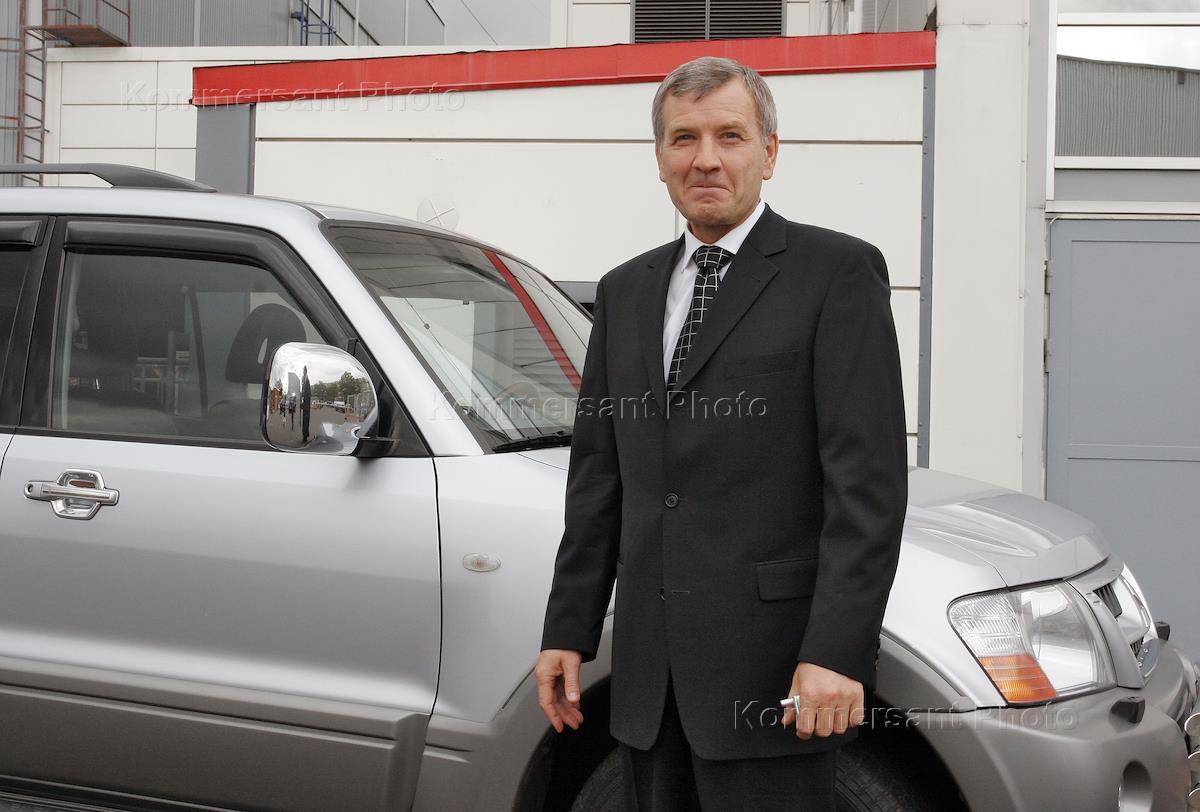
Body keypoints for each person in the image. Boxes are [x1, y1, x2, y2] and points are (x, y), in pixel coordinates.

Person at [536, 56, 908, 810]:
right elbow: (599, 477)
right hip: (649, 683)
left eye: (729, 136)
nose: (705, 158)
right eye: (684, 138)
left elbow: (866, 489)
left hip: (775, 681)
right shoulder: (624, 292)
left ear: (769, 153)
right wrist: (568, 628)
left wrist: (836, 653)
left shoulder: (837, 274)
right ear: (660, 158)